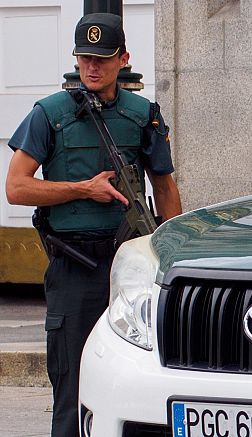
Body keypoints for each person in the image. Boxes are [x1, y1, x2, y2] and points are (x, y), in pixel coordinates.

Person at [4, 13, 181, 437]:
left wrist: (173, 255)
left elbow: (165, 188)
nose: (92, 67)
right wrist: (82, 189)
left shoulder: (143, 114)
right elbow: (16, 187)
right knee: (72, 386)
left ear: (123, 59)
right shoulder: (49, 114)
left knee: (137, 379)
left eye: (102, 58)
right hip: (74, 268)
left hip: (128, 266)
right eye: (85, 58)